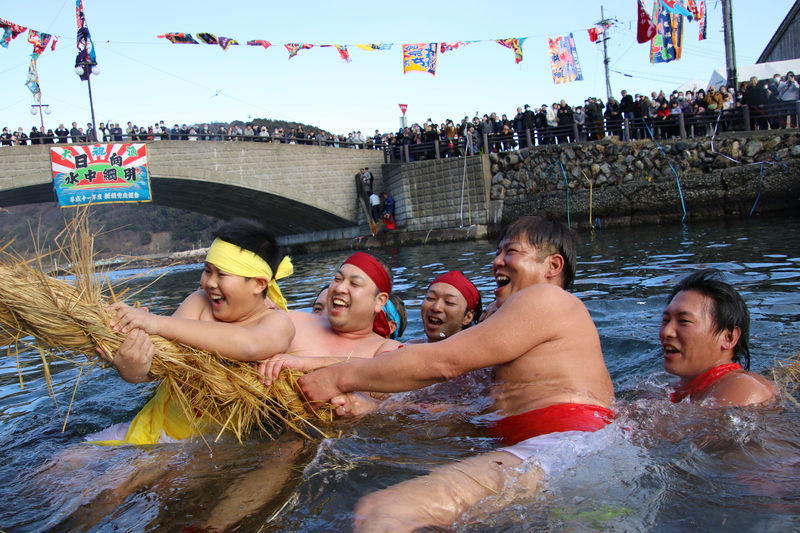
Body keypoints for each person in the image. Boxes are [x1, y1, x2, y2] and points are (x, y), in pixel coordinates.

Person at [295, 215, 616, 531]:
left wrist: (337, 376)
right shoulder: (518, 326)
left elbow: (442, 363)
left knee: (384, 512)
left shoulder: (547, 297)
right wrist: (377, 408)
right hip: (558, 448)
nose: (497, 262)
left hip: (567, 445)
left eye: (511, 252)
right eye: (497, 253)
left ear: (553, 266)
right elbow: (457, 405)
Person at [96, 218, 296, 444]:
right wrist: (132, 369)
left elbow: (250, 346)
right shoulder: (199, 302)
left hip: (215, 444)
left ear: (259, 284)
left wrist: (156, 323)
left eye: (222, 275)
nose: (209, 283)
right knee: (69, 459)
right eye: (207, 271)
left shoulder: (277, 322)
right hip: (158, 425)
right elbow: (161, 367)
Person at [660, 269, 775, 406]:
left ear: (729, 338)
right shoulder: (675, 388)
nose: (667, 331)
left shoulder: (743, 387)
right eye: (666, 320)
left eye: (684, 321)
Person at [407, 271, 481, 344]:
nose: (436, 307)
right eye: (430, 298)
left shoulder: (472, 354)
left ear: (467, 317)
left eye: (449, 302)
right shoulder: (406, 347)